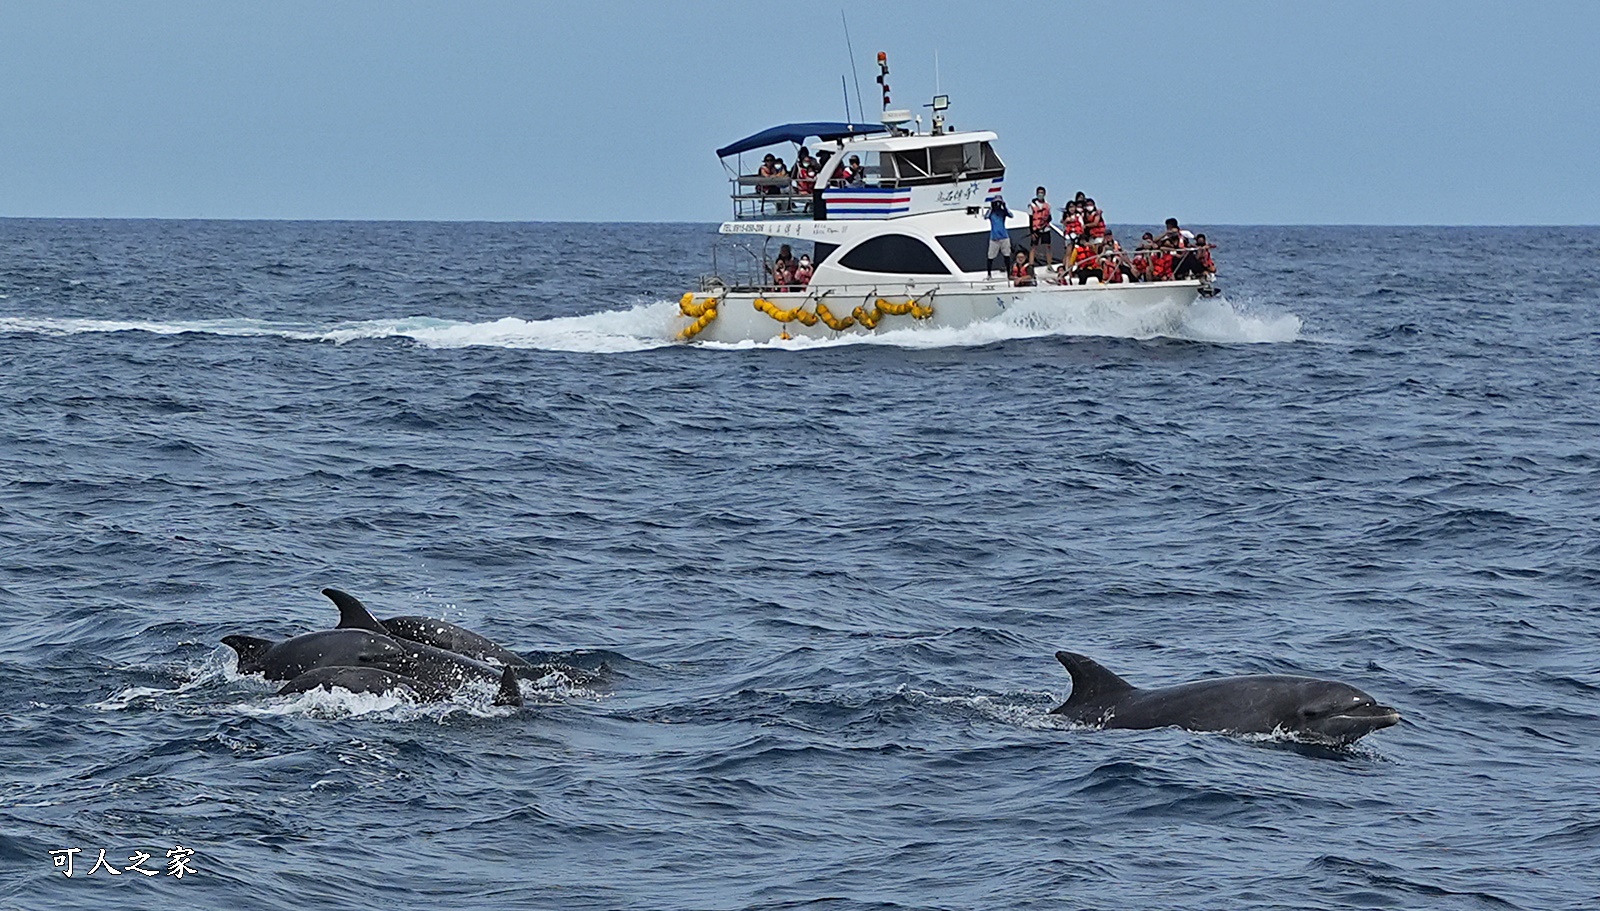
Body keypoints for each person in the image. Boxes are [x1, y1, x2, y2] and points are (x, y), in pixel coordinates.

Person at [983, 196, 1013, 278]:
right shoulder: (991, 213)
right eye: (996, 202)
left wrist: (1005, 206)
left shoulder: (1003, 212)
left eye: (999, 202)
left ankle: (1008, 273)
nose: (997, 204)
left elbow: (1011, 215)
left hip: (1004, 237)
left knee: (1007, 255)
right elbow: (985, 217)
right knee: (990, 256)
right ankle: (989, 274)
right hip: (994, 238)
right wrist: (992, 207)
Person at [1027, 186, 1054, 268]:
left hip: (1045, 228)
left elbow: (1050, 217)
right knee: (1033, 247)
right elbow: (1030, 219)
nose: (1040, 194)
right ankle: (1031, 265)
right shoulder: (1032, 205)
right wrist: (1032, 232)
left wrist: (1045, 221)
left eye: (1042, 193)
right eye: (1039, 193)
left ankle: (1049, 265)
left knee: (1048, 246)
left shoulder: (1048, 205)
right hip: (1035, 229)